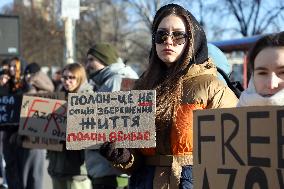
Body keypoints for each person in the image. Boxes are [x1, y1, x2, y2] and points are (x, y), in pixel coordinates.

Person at [99, 4, 238, 189]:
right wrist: (124, 156)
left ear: (192, 40)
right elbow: (137, 160)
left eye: (178, 35)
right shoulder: (141, 88)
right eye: (161, 35)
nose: (168, 41)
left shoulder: (212, 88)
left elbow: (234, 152)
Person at [85, 43, 138, 188]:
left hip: (111, 170)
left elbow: (112, 123)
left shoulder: (116, 81)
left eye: (91, 60)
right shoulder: (109, 80)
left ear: (105, 60)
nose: (87, 64)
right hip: (106, 167)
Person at [47, 63, 92, 189]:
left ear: (80, 78)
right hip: (56, 166)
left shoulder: (88, 99)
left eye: (72, 78)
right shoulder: (57, 99)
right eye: (65, 77)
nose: (67, 81)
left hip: (77, 170)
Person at [238, 31, 284, 107]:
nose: (271, 85)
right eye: (262, 73)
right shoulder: (235, 114)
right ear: (253, 78)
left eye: (283, 72)